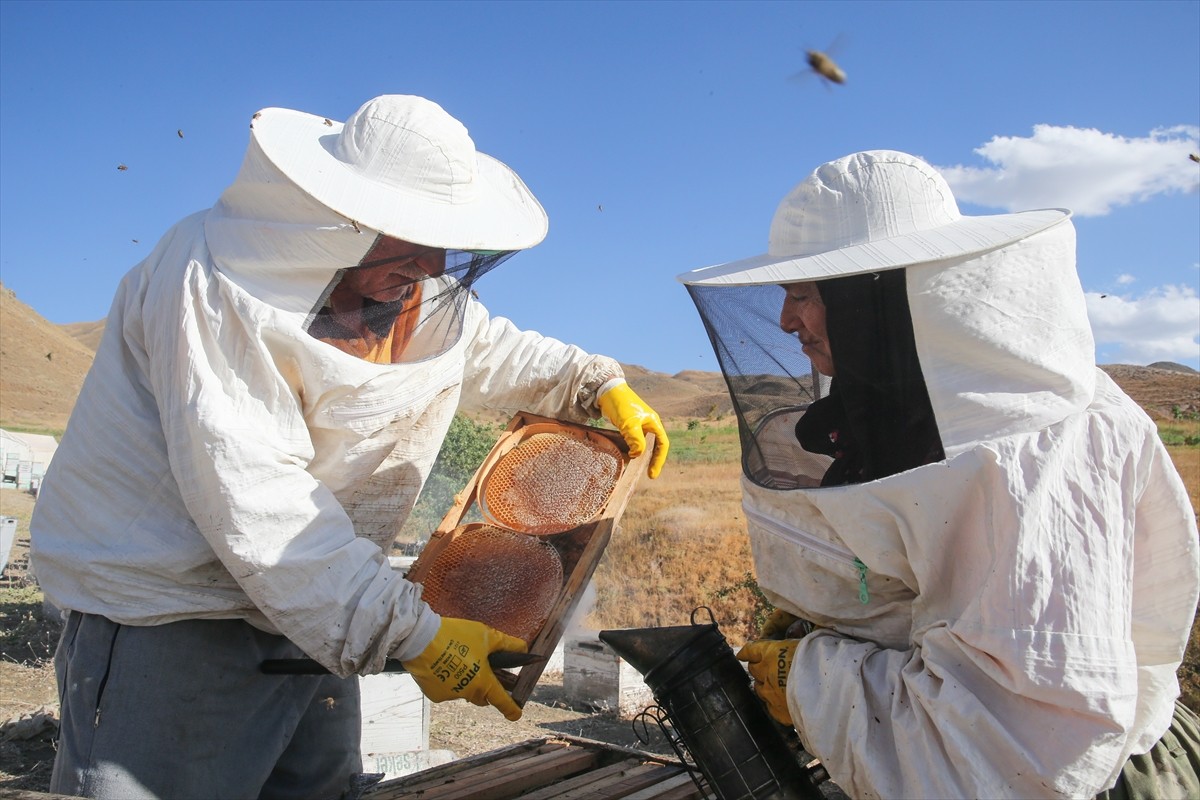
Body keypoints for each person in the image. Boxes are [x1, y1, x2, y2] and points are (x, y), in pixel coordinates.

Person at [30, 94, 669, 800]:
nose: (433, 262)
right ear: (343, 218)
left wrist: (594, 384)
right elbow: (258, 498)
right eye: (414, 236)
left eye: (443, 240)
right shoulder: (215, 282)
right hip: (177, 617)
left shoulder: (401, 283)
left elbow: (483, 346)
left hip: (318, 605)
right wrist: (411, 633)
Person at [677, 150, 1199, 798]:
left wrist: (811, 679)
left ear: (870, 300)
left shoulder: (1032, 454)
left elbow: (1016, 752)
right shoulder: (901, 413)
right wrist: (836, 618)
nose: (785, 320)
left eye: (804, 294)